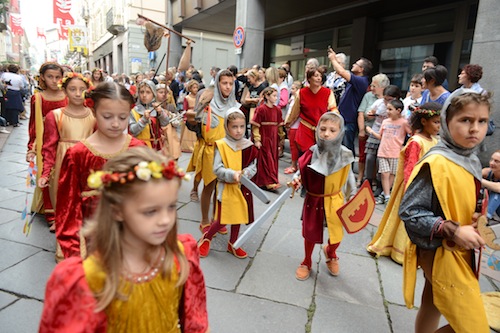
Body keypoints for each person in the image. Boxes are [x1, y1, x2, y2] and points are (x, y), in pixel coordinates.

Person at [40, 147, 209, 332]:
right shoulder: (89, 278)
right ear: (117, 210)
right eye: (151, 211)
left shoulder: (180, 256)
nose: (165, 220)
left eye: (171, 207)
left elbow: (195, 322)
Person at [399, 89, 491, 333]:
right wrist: (453, 229)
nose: (475, 129)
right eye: (465, 120)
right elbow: (410, 211)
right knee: (473, 325)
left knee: (432, 304)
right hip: (441, 251)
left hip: (458, 250)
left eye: (482, 121)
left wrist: (474, 218)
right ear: (445, 123)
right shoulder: (437, 162)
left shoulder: (470, 159)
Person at [56, 82, 145, 260]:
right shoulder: (78, 154)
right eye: (107, 116)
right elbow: (68, 209)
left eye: (123, 117)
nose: (115, 124)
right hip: (92, 243)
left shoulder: (138, 149)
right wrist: (75, 255)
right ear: (93, 110)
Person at [367, 102, 441, 263]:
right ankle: (399, 251)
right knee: (405, 220)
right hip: (412, 187)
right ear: (423, 121)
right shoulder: (416, 141)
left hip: (426, 188)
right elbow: (410, 167)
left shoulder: (435, 141)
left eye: (440, 122)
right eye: (436, 122)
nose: (439, 126)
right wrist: (409, 189)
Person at [292, 112, 356, 280]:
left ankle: (331, 252)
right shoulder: (312, 152)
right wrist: (296, 180)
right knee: (310, 232)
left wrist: (354, 194)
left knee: (336, 233)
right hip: (314, 198)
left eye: (332, 130)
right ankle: (306, 261)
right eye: (323, 129)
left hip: (335, 199)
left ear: (340, 132)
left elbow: (349, 176)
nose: (327, 134)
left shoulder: (345, 154)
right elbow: (300, 171)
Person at [38, 73, 95, 235]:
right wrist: (46, 173)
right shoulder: (55, 116)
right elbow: (49, 148)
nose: (78, 93)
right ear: (64, 91)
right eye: (72, 89)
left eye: (82, 89)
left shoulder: (94, 115)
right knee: (63, 199)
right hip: (63, 164)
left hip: (87, 164)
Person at [198, 109, 258, 258]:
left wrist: (245, 174)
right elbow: (217, 169)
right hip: (226, 188)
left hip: (241, 188)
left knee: (238, 216)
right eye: (234, 127)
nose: (238, 131)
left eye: (241, 127)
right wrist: (232, 174)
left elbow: (253, 166)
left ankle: (233, 243)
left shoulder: (248, 145)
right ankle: (207, 237)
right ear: (227, 127)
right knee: (223, 218)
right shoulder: (221, 145)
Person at [27, 62, 68, 228]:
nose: (54, 80)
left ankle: (65, 209)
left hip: (66, 139)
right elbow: (33, 124)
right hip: (46, 141)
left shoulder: (68, 95)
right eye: (50, 77)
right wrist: (31, 147)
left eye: (58, 77)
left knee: (64, 175)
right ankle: (51, 213)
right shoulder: (38, 98)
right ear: (42, 77)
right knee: (47, 174)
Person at [198, 69, 238, 233]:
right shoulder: (209, 103)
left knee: (221, 189)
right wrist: (202, 106)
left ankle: (217, 219)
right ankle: (204, 220)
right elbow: (196, 121)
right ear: (217, 84)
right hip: (211, 150)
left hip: (227, 153)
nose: (227, 87)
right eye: (224, 83)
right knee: (209, 186)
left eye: (230, 83)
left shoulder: (234, 106)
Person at [366, 99, 412, 204]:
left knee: (392, 174)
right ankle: (387, 196)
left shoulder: (404, 122)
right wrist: (371, 131)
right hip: (383, 151)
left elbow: (411, 134)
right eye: (387, 109)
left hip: (395, 152)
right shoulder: (385, 122)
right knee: (384, 174)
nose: (387, 111)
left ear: (398, 110)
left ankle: (384, 194)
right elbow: (380, 136)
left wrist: (405, 146)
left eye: (390, 109)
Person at [328, 47, 372, 154]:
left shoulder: (361, 81)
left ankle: (348, 171)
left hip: (349, 120)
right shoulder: (355, 80)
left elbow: (341, 71)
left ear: (361, 69)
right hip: (342, 118)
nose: (353, 65)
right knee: (338, 148)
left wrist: (333, 59)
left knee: (346, 149)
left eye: (356, 64)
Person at [285, 68, 337, 152]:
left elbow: (333, 108)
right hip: (305, 128)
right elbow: (295, 111)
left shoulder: (328, 92)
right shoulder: (301, 92)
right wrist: (288, 123)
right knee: (305, 155)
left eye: (320, 76)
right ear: (309, 78)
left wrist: (335, 123)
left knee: (320, 155)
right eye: (316, 76)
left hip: (322, 129)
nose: (319, 78)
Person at [364, 85, 401, 197]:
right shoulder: (379, 103)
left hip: (390, 136)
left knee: (383, 162)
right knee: (370, 157)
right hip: (376, 131)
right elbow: (368, 115)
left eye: (389, 99)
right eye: (385, 99)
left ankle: (381, 185)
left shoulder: (399, 106)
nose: (386, 102)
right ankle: (368, 181)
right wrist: (371, 114)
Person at [357, 74, 390, 187]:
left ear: (382, 87)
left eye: (374, 85)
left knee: (379, 159)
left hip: (384, 134)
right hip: (368, 130)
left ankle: (377, 180)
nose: (371, 87)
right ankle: (363, 179)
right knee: (366, 156)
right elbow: (362, 113)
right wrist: (361, 129)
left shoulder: (389, 99)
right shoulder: (368, 96)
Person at [251, 87, 285, 191]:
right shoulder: (261, 109)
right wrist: (257, 139)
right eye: (274, 96)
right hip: (264, 136)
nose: (276, 98)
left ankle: (272, 179)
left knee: (273, 158)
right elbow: (255, 126)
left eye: (276, 96)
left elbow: (279, 126)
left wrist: (281, 136)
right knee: (265, 158)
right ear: (267, 96)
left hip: (273, 138)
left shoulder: (277, 110)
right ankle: (267, 181)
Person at [129, 80, 170, 151]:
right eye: (142, 92)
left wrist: (161, 113)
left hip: (157, 147)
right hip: (140, 147)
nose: (144, 95)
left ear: (153, 94)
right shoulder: (133, 111)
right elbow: (132, 131)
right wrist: (144, 119)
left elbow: (165, 123)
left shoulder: (157, 109)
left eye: (148, 92)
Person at [284, 81, 302, 174]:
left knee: (293, 146)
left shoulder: (297, 99)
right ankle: (295, 164)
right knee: (293, 146)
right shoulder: (293, 98)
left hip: (294, 126)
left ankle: (294, 165)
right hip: (292, 125)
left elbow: (294, 113)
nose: (291, 91)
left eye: (293, 89)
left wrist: (289, 123)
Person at [180, 80, 199, 152]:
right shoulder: (187, 98)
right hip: (189, 115)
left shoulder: (198, 97)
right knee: (188, 132)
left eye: (197, 87)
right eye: (194, 88)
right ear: (190, 88)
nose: (196, 89)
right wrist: (185, 117)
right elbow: (185, 108)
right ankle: (187, 145)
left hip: (196, 115)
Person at [482, 150, 500, 224]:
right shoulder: (487, 172)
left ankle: (484, 220)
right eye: (491, 159)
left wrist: (480, 180)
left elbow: (498, 188)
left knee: (497, 193)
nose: (492, 163)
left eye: (496, 161)